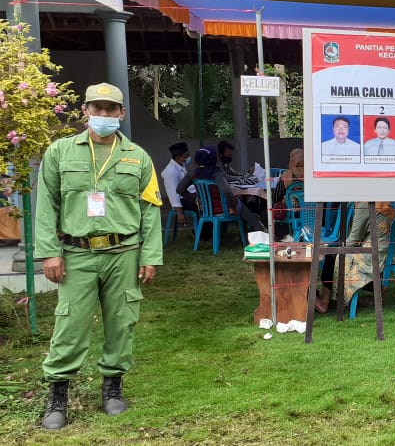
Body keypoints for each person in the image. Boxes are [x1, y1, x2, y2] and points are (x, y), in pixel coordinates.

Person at [35, 83, 163, 431]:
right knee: (70, 323)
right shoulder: (60, 152)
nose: (104, 114)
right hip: (77, 252)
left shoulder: (138, 157)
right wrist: (49, 252)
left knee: (122, 321)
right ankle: (58, 395)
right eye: (97, 108)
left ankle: (112, 388)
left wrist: (150, 255)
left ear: (121, 113)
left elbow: (150, 208)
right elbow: (46, 204)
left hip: (124, 252)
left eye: (110, 109)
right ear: (85, 111)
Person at [269, 149, 337, 312]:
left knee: (296, 254)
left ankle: (312, 297)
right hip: (320, 230)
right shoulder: (313, 179)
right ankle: (313, 297)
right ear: (291, 164)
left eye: (304, 165)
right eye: (298, 166)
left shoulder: (288, 180)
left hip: (298, 232)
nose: (302, 170)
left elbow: (272, 204)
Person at [177, 146, 264, 233]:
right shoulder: (216, 173)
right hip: (222, 208)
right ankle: (258, 227)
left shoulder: (193, 173)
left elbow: (179, 189)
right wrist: (232, 206)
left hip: (204, 209)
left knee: (237, 201)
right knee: (239, 202)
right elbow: (227, 191)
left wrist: (196, 197)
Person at [341, 202, 395, 306]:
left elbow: (353, 239)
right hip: (389, 252)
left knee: (337, 257)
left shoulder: (364, 204)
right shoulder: (382, 202)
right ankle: (378, 289)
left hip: (374, 254)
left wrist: (334, 246)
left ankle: (337, 300)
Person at [161, 142, 195, 234]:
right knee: (203, 204)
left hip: (187, 197)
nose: (188, 157)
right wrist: (179, 213)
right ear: (178, 157)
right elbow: (173, 194)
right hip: (182, 202)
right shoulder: (171, 172)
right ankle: (199, 232)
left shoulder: (180, 166)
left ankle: (203, 231)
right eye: (186, 155)